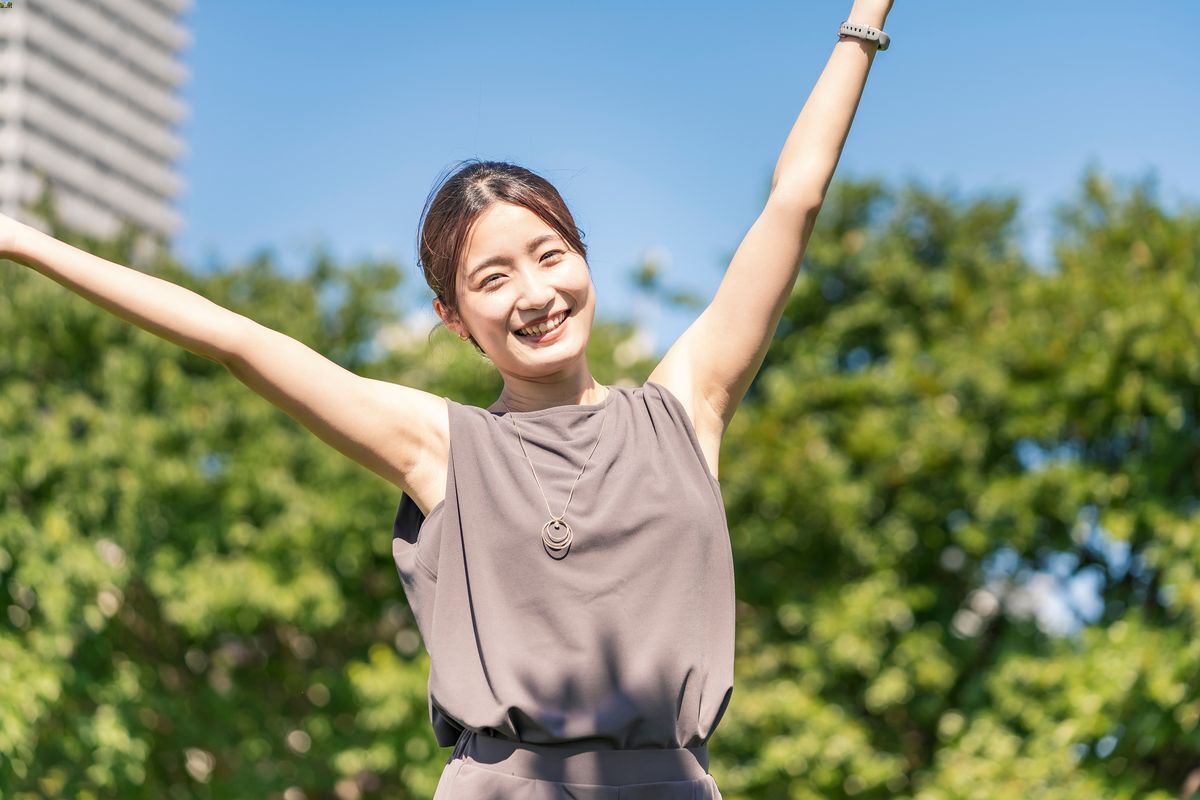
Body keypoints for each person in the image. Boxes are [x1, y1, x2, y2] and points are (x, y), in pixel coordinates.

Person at [0, 2, 892, 795]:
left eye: (550, 256)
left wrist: (864, 15)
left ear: (584, 257)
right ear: (453, 317)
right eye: (492, 278)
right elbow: (237, 339)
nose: (534, 294)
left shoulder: (684, 407)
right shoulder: (439, 445)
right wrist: (24, 243)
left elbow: (795, 198)